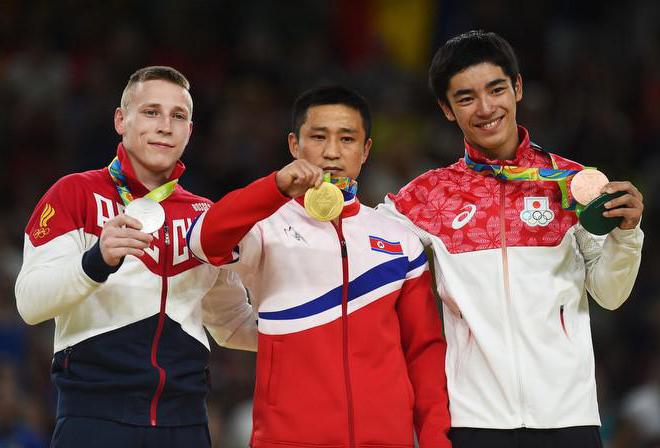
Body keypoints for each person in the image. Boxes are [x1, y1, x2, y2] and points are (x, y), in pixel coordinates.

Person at [377, 30, 644, 448]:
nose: (485, 108)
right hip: (474, 420)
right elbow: (358, 243)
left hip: (568, 417)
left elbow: (610, 294)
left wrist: (627, 237)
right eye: (465, 98)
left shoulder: (575, 185)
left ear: (517, 88)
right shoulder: (427, 198)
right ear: (447, 109)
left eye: (496, 89)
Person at [187, 86, 451, 447]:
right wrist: (275, 187)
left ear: (365, 150)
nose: (331, 152)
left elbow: (424, 351)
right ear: (295, 145)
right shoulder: (267, 229)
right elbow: (205, 240)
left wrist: (437, 440)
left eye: (347, 139)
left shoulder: (399, 239)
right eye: (318, 137)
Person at [15, 66, 257, 447]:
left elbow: (229, 322)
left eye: (178, 116)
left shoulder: (206, 217)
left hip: (187, 425)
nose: (165, 126)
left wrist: (301, 321)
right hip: (95, 420)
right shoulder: (73, 194)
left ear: (189, 132)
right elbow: (30, 303)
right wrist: (95, 262)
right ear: (120, 120)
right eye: (151, 112)